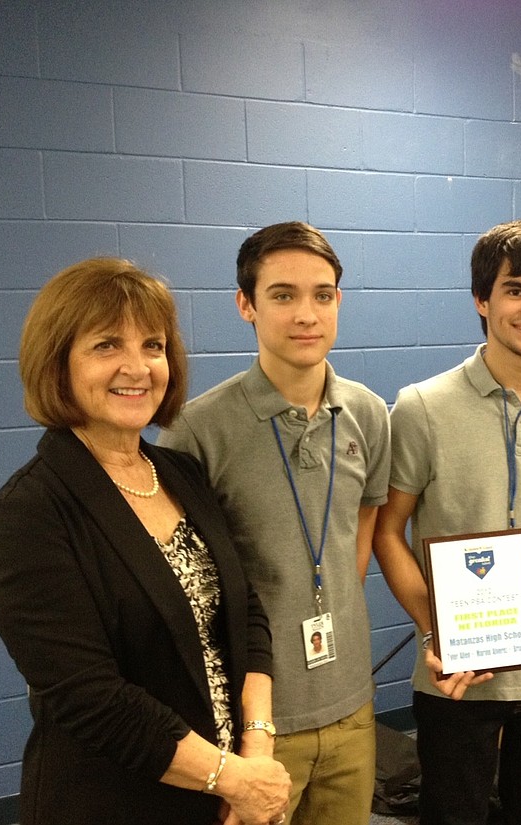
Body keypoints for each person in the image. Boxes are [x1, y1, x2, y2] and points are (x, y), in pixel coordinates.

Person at [0, 258, 291, 825]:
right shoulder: (27, 514)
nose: (138, 367)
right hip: (118, 800)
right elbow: (93, 700)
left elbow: (246, 614)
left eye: (153, 344)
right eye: (105, 346)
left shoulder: (180, 474)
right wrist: (234, 778)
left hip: (230, 791)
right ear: (58, 363)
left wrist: (257, 748)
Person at [374, 219, 521, 825]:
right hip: (457, 675)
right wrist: (436, 634)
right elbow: (387, 531)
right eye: (517, 290)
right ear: (483, 300)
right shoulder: (421, 407)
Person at [158, 222, 390, 825]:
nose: (305, 314)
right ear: (246, 305)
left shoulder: (367, 413)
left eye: (323, 294)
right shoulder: (197, 431)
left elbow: (361, 528)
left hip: (351, 707)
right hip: (252, 723)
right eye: (283, 295)